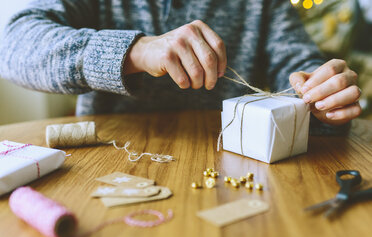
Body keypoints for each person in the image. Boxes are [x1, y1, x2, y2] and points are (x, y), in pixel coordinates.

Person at [0, 0, 361, 134]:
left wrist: (322, 88)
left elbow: (297, 64)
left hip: (235, 168)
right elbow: (13, 45)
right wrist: (135, 52)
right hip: (110, 169)